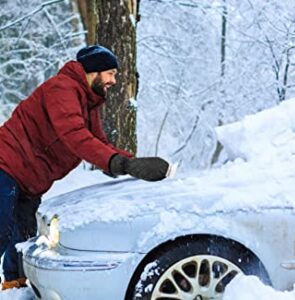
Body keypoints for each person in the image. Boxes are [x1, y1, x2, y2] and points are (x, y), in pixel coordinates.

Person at [0, 45, 169, 290]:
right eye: (110, 73)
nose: (114, 80)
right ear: (94, 71)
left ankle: (14, 288)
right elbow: (75, 135)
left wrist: (132, 164)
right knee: (2, 229)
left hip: (29, 180)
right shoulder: (62, 88)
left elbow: (98, 143)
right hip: (6, 164)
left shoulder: (88, 103)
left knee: (24, 240)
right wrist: (122, 163)